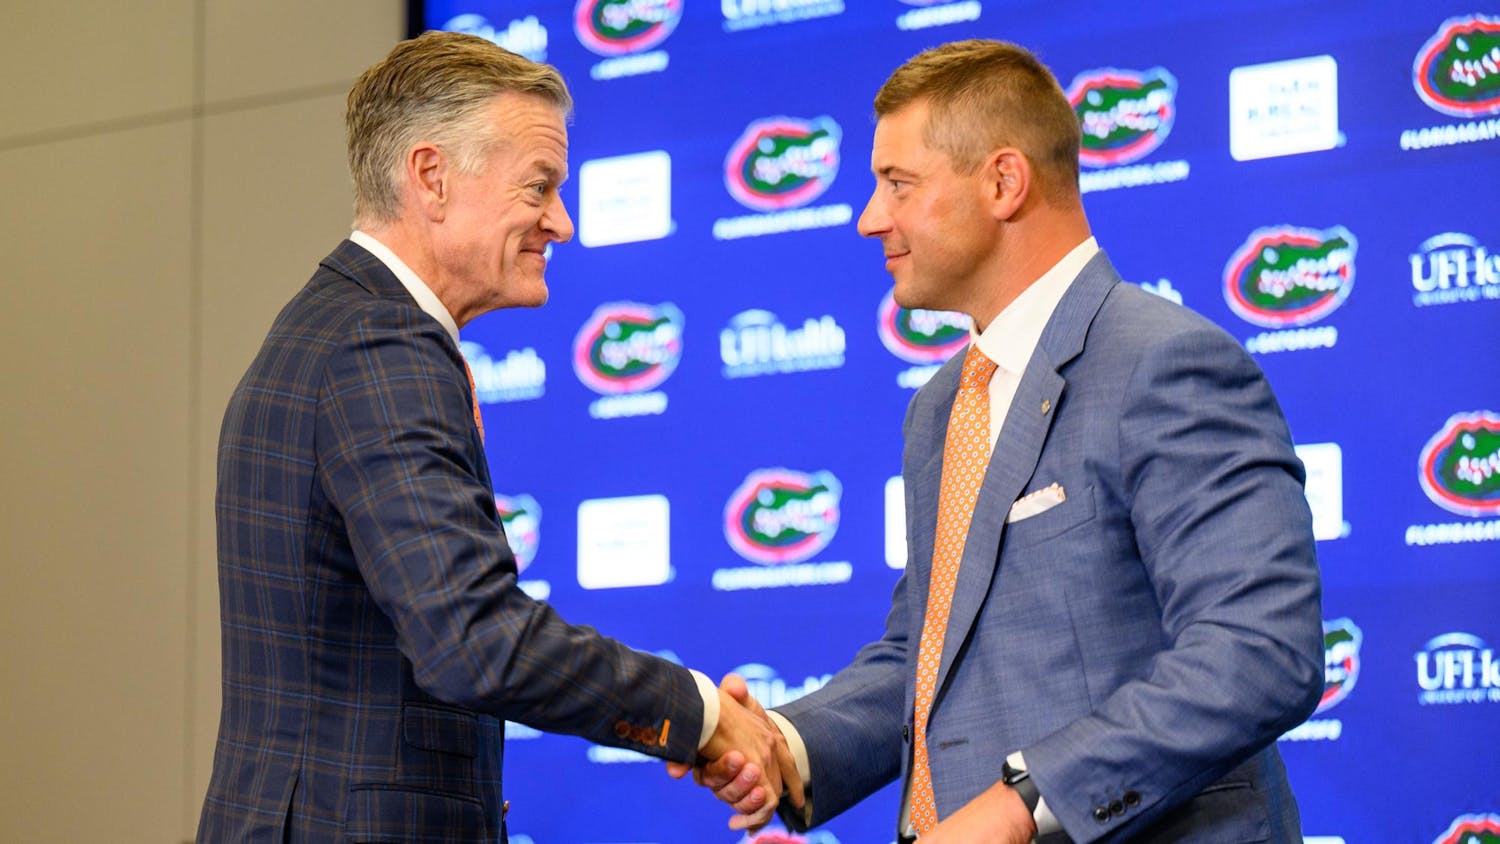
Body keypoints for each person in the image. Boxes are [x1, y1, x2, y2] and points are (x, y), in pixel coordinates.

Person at [693, 39, 1323, 843]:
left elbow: (1260, 651)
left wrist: (1024, 803)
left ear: (1003, 182)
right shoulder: (941, 406)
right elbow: (929, 657)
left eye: (898, 183)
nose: (869, 217)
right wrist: (787, 745)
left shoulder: (1165, 364)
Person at [197, 32, 799, 842]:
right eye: (539, 186)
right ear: (432, 177)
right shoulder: (381, 342)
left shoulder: (334, 326)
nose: (563, 222)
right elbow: (472, 640)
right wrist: (699, 714)